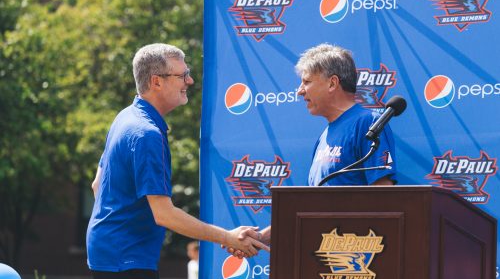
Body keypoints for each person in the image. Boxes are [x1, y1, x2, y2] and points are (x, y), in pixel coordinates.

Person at [87, 43, 268, 279]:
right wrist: (228, 237)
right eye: (182, 75)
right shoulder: (147, 134)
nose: (190, 81)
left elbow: (96, 185)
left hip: (107, 253)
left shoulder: (126, 117)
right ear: (156, 82)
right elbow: (164, 215)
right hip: (127, 260)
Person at [226, 43, 397, 252]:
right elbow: (312, 208)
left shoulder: (368, 123)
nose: (299, 91)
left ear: (332, 83)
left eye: (306, 82)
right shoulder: (324, 136)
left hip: (354, 259)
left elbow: (383, 196)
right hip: (322, 254)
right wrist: (259, 238)